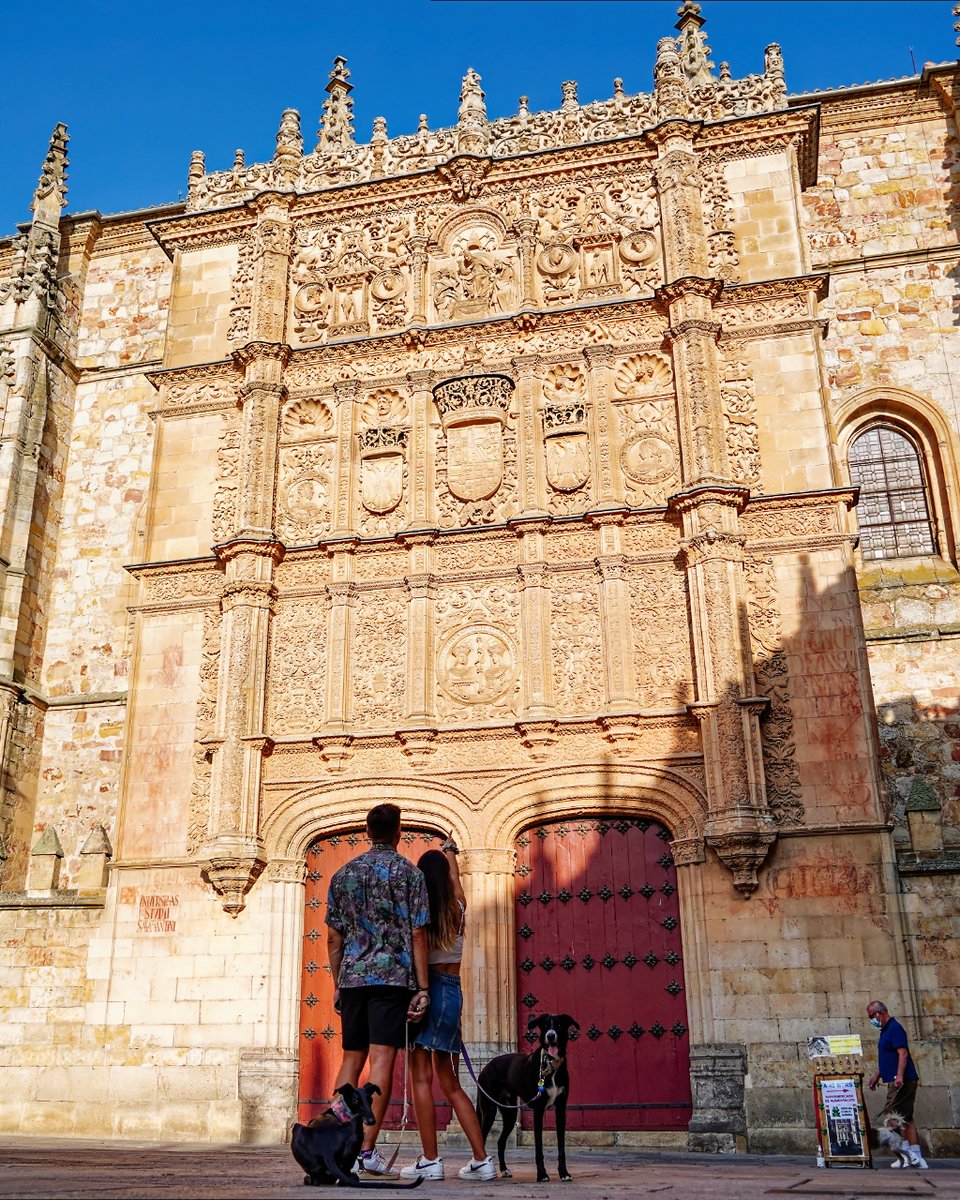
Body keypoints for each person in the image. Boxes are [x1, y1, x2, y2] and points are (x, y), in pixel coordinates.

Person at [326, 803, 431, 1177]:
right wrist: (422, 986)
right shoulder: (409, 874)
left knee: (351, 1059)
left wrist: (338, 982)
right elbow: (418, 932)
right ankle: (365, 1149)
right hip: (391, 979)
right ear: (398, 832)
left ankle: (335, 1139)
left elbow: (333, 937)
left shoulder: (343, 875)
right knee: (381, 1060)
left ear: (367, 831)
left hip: (352, 978)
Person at [399, 838, 497, 1183]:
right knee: (452, 1083)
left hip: (428, 991)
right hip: (453, 993)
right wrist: (451, 852)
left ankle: (430, 1159)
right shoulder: (459, 905)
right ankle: (482, 1160)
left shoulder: (419, 911)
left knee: (421, 1079)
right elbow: (455, 879)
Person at [866, 1000, 928, 1169]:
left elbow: (903, 1053)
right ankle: (915, 1156)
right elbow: (889, 1057)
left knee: (892, 1115)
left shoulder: (894, 1028)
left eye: (871, 1016)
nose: (871, 1019)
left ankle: (910, 1155)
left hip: (902, 1079)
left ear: (879, 1013)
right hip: (894, 1078)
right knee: (906, 1117)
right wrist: (878, 1075)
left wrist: (899, 1076)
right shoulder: (885, 1031)